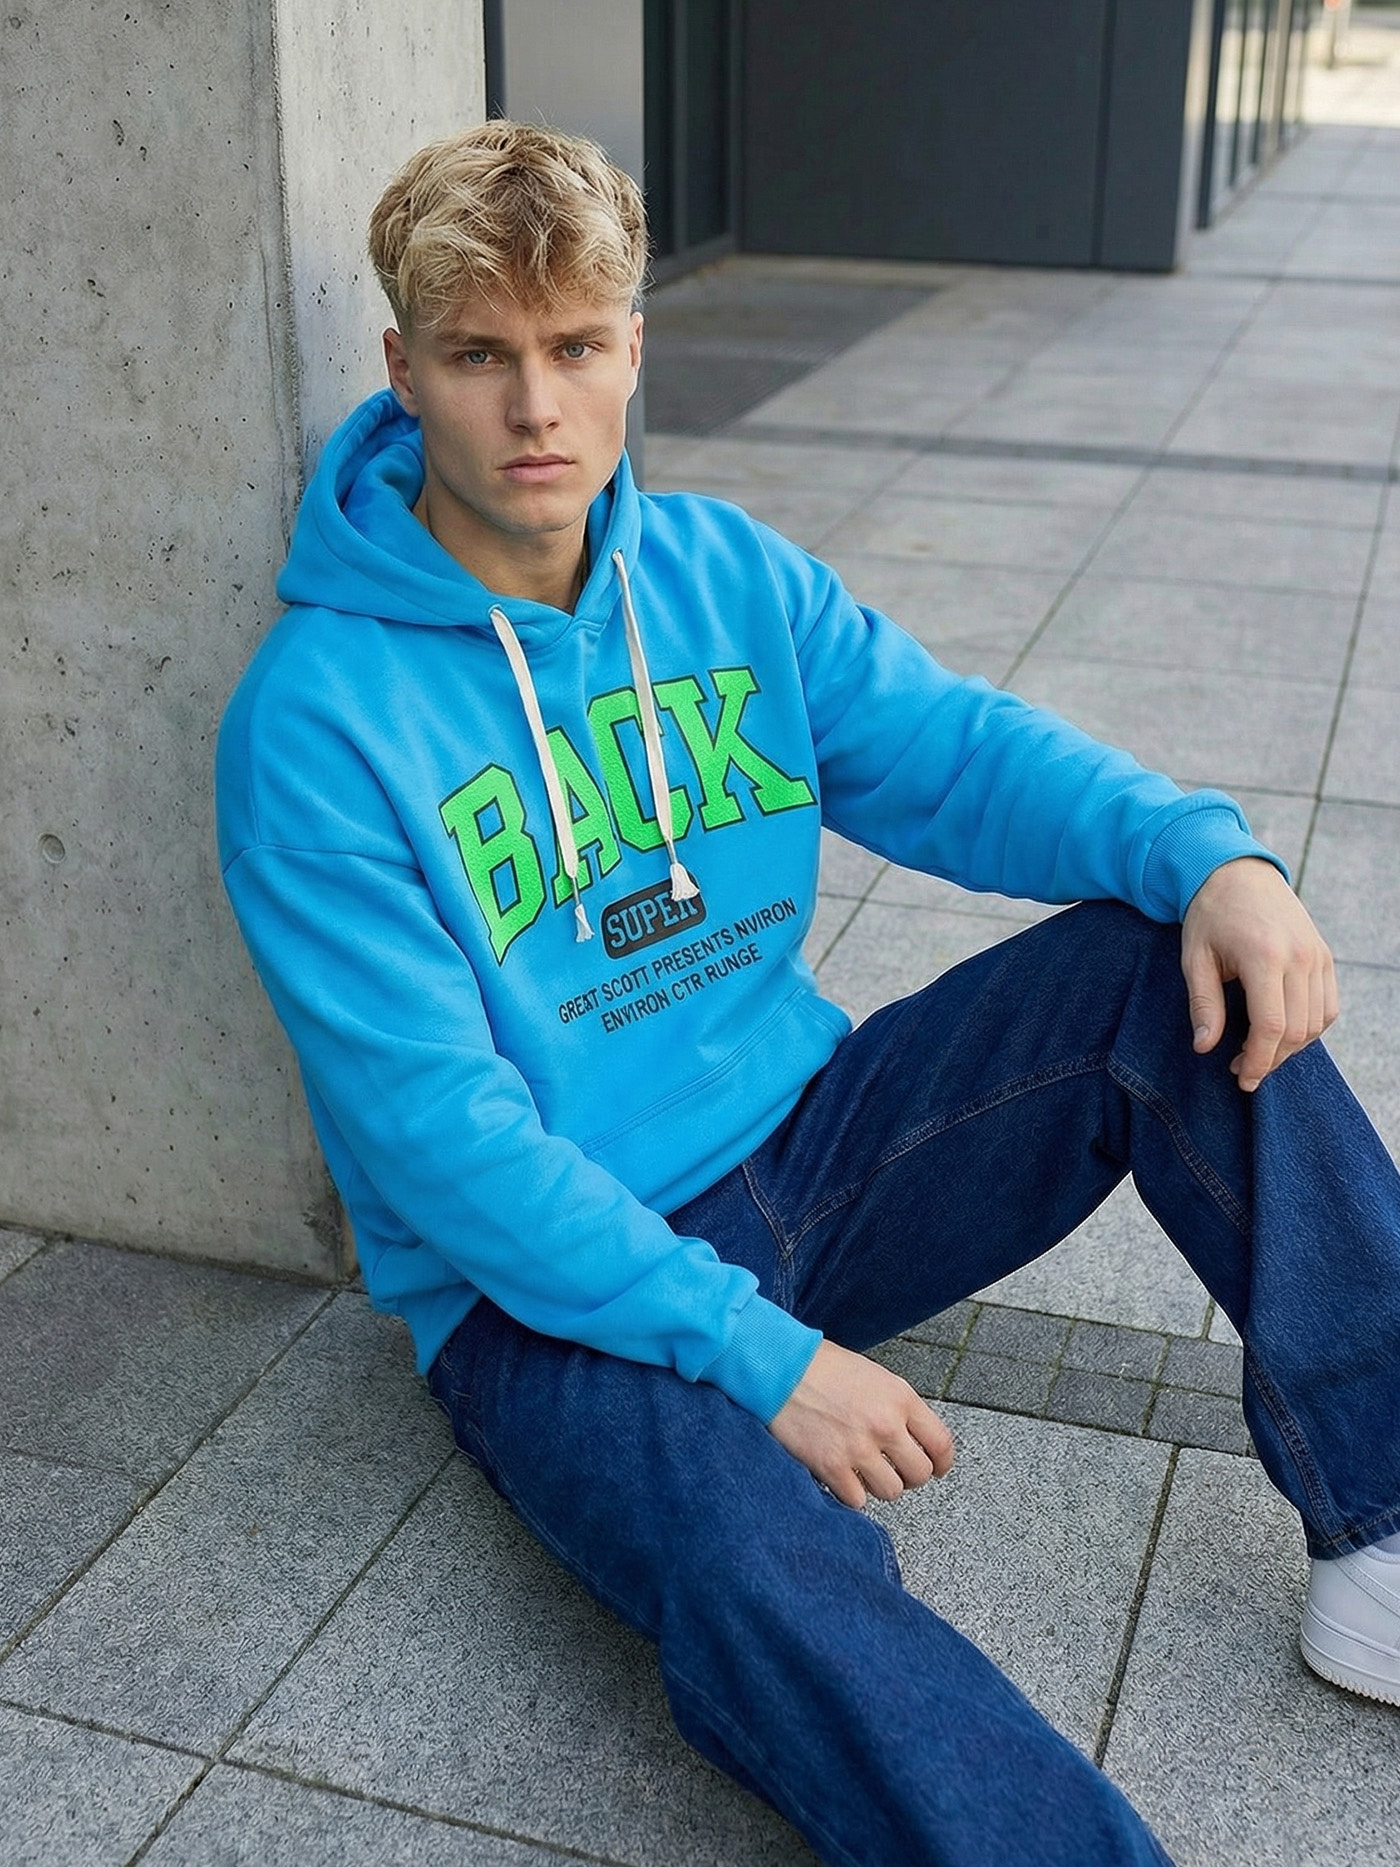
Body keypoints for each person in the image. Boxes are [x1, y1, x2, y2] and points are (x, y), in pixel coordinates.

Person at [215, 121, 1400, 1867]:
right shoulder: (312, 725)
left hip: (815, 1149)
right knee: (755, 1566)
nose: (535, 409)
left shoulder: (721, 577)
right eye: (479, 357)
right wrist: (764, 1363)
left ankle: (1385, 1518)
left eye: (575, 347)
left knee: (1166, 958)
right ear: (403, 368)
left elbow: (954, 754)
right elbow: (444, 1150)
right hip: (537, 1293)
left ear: (634, 350)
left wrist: (1209, 854)